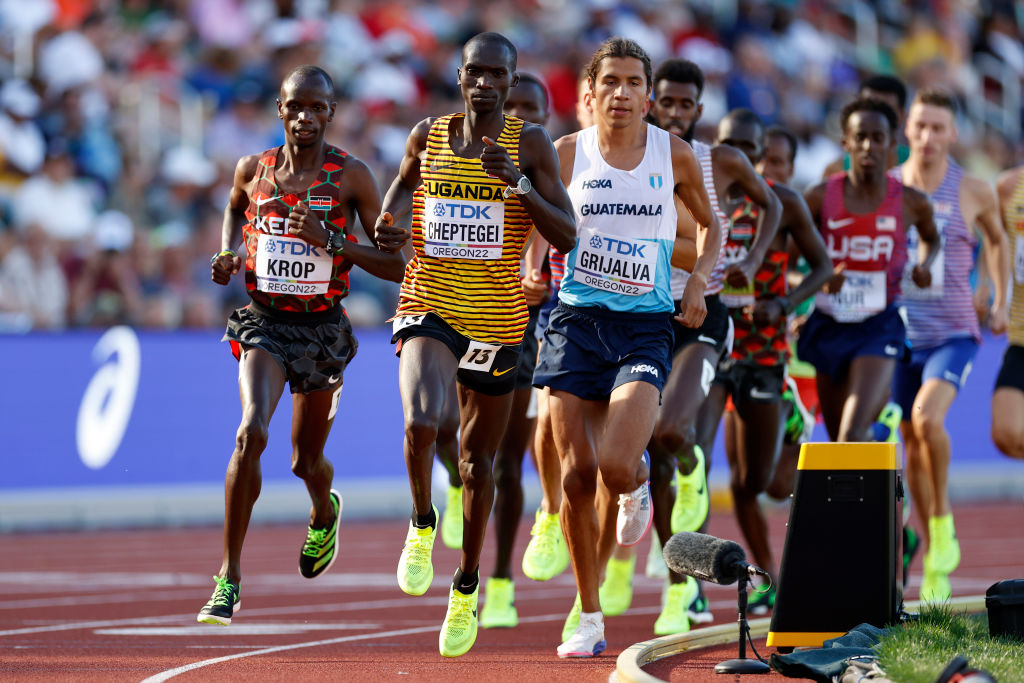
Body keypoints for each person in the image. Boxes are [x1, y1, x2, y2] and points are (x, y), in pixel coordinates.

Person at [373, 32, 576, 658]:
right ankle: (421, 522)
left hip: (496, 317)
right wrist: (388, 219)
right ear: (458, 77)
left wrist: (518, 184)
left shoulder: (530, 142)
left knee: (477, 463)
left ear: (512, 83)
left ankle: (466, 585)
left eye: (497, 74)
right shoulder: (427, 135)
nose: (484, 82)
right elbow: (400, 194)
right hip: (427, 299)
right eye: (474, 72)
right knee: (420, 422)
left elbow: (565, 231)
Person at [199, 65, 406, 625]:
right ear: (280, 108)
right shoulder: (255, 168)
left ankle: (323, 511)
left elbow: (395, 263)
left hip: (322, 332)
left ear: (331, 113)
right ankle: (229, 578)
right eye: (296, 107)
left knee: (303, 460)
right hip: (264, 323)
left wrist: (333, 240)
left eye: (317, 108)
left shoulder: (352, 176)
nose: (305, 117)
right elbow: (235, 207)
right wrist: (227, 253)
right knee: (251, 431)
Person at [534, 37, 718, 657]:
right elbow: (540, 219)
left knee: (615, 465)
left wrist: (695, 280)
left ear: (647, 94)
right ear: (590, 94)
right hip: (576, 323)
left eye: (633, 82)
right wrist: (535, 263)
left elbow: (709, 227)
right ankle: (589, 618)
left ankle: (636, 484)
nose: (621, 92)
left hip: (644, 326)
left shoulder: (676, 155)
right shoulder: (566, 153)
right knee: (576, 476)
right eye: (609, 81)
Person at [644, 58, 781, 635]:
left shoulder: (720, 159)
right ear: (652, 103)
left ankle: (695, 465)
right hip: (645, 312)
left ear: (700, 110)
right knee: (650, 456)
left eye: (686, 104)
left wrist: (749, 260)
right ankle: (679, 589)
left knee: (673, 435)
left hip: (705, 313)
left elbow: (770, 203)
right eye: (667, 102)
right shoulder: (634, 156)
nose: (676, 113)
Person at [693, 108, 832, 616]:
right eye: (736, 146)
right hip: (712, 347)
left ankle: (790, 415)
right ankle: (737, 581)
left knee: (760, 484)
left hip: (764, 355)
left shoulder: (783, 203)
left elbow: (823, 266)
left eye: (756, 152)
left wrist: (784, 305)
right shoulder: (698, 194)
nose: (747, 159)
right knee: (696, 459)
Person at [894, 87, 1009, 602]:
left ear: (953, 133)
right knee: (912, 448)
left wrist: (997, 295)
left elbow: (999, 240)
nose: (928, 137)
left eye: (938, 127)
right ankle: (934, 536)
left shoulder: (974, 189)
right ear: (907, 129)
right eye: (920, 126)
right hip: (898, 336)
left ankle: (942, 527)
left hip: (955, 333)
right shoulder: (890, 187)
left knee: (927, 420)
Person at [798, 97, 939, 447]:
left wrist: (925, 266)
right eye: (859, 137)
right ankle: (880, 434)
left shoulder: (912, 201)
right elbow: (786, 264)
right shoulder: (818, 197)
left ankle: (875, 431)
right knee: (838, 443)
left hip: (879, 326)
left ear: (893, 144)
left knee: (851, 435)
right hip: (829, 325)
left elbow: (932, 241)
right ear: (845, 142)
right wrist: (819, 279)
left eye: (878, 137)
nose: (868, 146)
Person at [479, 72, 555, 629]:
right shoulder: (471, 164)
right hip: (470, 317)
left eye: (534, 110)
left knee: (510, 461)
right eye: (517, 109)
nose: (524, 120)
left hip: (537, 331)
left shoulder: (557, 173)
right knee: (459, 444)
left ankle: (500, 580)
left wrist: (542, 276)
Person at [992, 164, 1024, 461]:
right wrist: (996, 299)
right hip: (1020, 334)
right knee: (1006, 433)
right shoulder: (1009, 186)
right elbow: (995, 243)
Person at [822, 75, 910, 178]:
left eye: (886, 111)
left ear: (902, 115)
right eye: (868, 108)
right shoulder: (836, 172)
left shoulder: (916, 164)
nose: (875, 118)